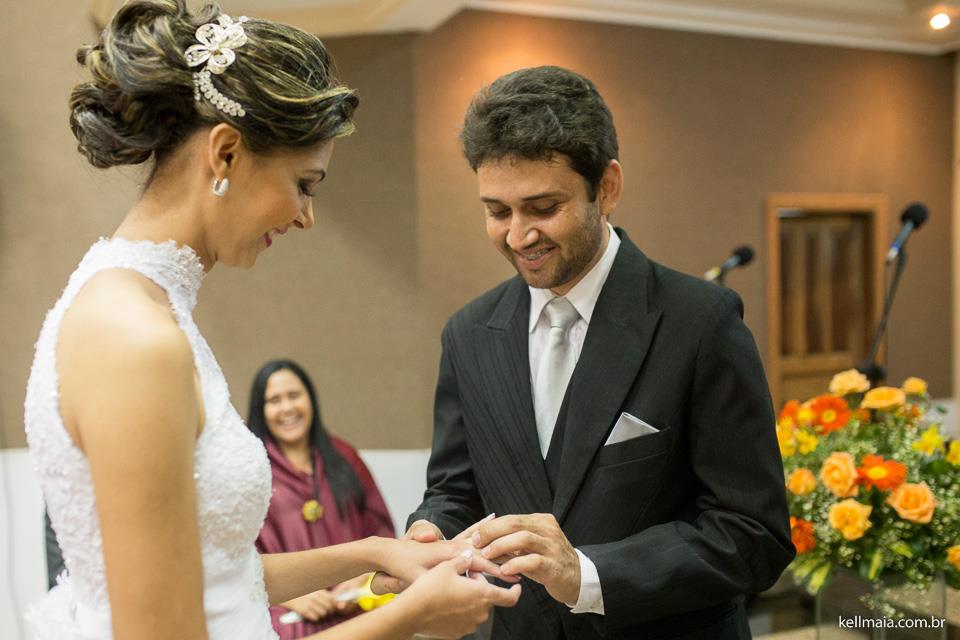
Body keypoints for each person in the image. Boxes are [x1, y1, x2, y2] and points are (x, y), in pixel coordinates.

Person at [23, 2, 519, 638]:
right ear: (226, 153)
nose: (306, 217)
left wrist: (375, 553)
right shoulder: (133, 338)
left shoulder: (145, 309)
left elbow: (216, 580)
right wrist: (411, 616)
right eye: (305, 184)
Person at [405, 66, 795, 639]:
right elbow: (455, 490)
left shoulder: (701, 322)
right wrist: (432, 532)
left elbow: (753, 535)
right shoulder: (467, 333)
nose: (518, 236)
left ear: (607, 186)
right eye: (497, 211)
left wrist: (588, 575)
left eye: (543, 207)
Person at [247, 359, 395, 637]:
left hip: (354, 608)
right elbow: (237, 557)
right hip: (283, 615)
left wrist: (361, 576)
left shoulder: (345, 457)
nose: (287, 407)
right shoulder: (250, 470)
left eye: (294, 395)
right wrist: (289, 595)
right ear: (261, 409)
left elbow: (380, 530)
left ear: (310, 399)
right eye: (274, 400)